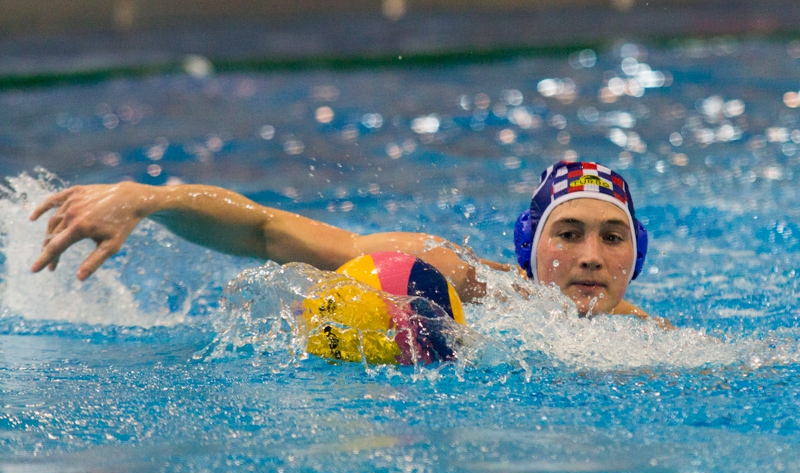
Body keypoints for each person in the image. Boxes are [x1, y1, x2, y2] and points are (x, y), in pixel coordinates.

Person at [29, 160, 656, 320]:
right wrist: (147, 199)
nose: (591, 257)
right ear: (530, 247)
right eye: (567, 234)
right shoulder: (457, 276)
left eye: (612, 237)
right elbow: (269, 230)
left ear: (637, 254)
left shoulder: (651, 339)